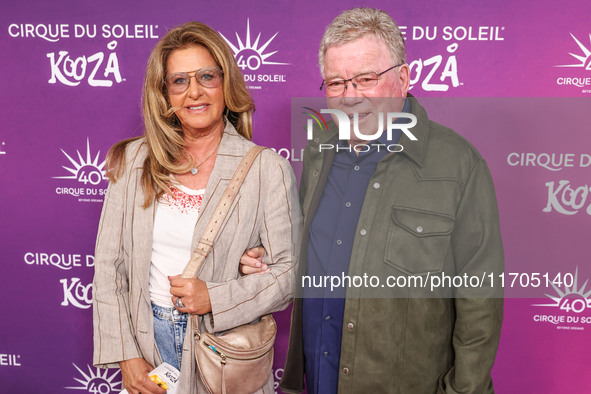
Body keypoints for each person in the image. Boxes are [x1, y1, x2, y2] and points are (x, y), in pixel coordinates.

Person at [240, 7, 504, 394]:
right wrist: (268, 258)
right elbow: (313, 248)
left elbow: (480, 300)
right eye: (335, 83)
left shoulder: (458, 164)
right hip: (317, 380)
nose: (350, 97)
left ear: (403, 77)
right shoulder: (319, 152)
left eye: (365, 79)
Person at [92, 21, 301, 394]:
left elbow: (289, 273)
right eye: (179, 81)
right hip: (146, 343)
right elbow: (109, 267)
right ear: (165, 94)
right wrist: (127, 355)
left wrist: (214, 298)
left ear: (226, 84)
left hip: (224, 352)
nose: (194, 92)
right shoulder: (133, 160)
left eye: (207, 76)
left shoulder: (266, 168)